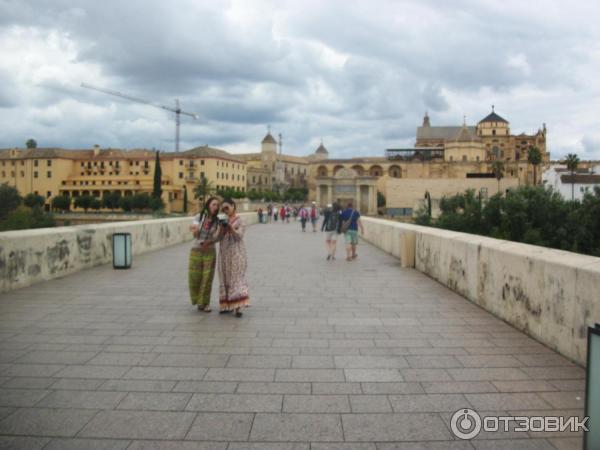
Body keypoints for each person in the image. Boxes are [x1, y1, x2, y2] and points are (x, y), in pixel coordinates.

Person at [217, 198, 250, 317]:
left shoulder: (240, 220)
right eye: (223, 209)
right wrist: (221, 229)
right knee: (225, 278)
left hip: (237, 253)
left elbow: (239, 236)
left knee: (236, 278)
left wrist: (231, 229)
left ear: (233, 206)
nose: (225, 210)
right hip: (224, 254)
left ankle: (238, 307)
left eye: (227, 207)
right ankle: (227, 305)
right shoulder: (223, 220)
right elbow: (218, 238)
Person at [188, 197, 221, 312]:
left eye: (217, 205)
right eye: (213, 204)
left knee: (207, 278)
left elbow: (218, 237)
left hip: (209, 251)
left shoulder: (217, 221)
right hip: (196, 249)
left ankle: (204, 303)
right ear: (208, 205)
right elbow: (193, 230)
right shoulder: (199, 217)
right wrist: (194, 229)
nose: (215, 207)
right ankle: (197, 300)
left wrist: (211, 241)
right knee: (195, 277)